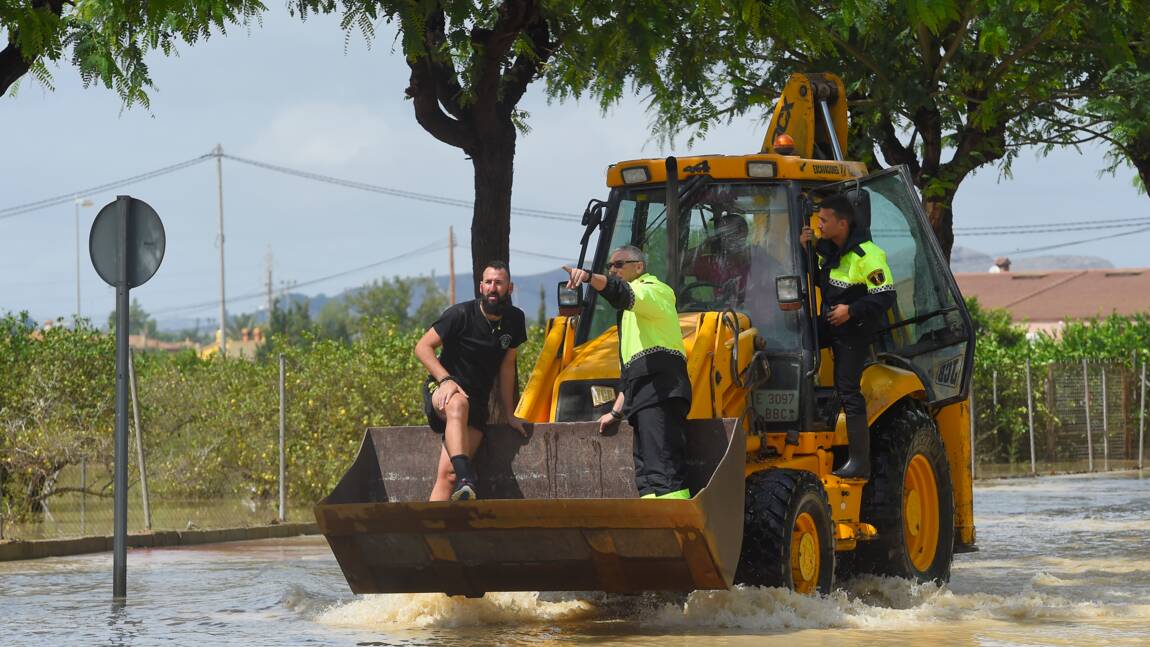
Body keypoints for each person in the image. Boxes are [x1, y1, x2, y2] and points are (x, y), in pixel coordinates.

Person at [562, 246, 692, 499]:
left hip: (661, 390)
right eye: (610, 266)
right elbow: (632, 374)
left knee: (662, 471)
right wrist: (616, 411)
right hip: (644, 394)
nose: (613, 270)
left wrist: (589, 277)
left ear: (639, 267)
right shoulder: (630, 316)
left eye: (619, 265)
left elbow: (620, 292)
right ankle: (655, 530)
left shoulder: (655, 291)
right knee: (645, 476)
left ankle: (677, 530)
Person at [799, 192, 896, 480]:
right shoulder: (830, 250)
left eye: (824, 221)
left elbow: (885, 296)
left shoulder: (868, 255)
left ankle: (859, 462)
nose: (820, 225)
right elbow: (819, 280)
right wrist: (806, 250)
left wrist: (851, 310)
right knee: (797, 340)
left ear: (843, 223)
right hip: (833, 322)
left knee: (848, 389)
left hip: (854, 330)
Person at [414, 261, 528, 501]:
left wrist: (509, 413)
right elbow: (422, 347)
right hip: (443, 391)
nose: (493, 288)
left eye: (499, 283)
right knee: (458, 405)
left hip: (476, 402)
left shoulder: (515, 320)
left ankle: (434, 533)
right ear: (480, 287)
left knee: (449, 476)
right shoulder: (460, 314)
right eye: (488, 282)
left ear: (510, 287)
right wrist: (445, 379)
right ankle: (468, 476)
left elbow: (507, 368)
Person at [688, 214, 751, 303]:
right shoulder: (714, 263)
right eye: (722, 234)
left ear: (744, 232)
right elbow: (679, 266)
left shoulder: (758, 258)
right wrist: (702, 248)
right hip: (719, 314)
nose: (725, 238)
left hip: (752, 315)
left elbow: (776, 275)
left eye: (730, 232)